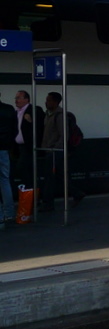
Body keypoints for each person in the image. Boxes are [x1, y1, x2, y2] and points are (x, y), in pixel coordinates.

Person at [39, 91, 85, 211]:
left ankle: (48, 204)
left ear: (55, 102)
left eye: (48, 100)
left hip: (54, 151)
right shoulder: (49, 115)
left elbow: (64, 134)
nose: (46, 102)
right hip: (51, 150)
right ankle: (77, 193)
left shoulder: (59, 115)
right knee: (59, 177)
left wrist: (56, 148)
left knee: (49, 178)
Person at [13, 90, 44, 189]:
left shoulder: (35, 110)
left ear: (26, 99)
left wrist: (31, 121)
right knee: (28, 170)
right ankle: (31, 193)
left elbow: (41, 127)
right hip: (18, 147)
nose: (16, 100)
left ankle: (30, 191)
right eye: (16, 98)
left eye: (18, 98)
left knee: (22, 167)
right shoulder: (16, 112)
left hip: (29, 146)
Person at [0, 91, 17, 230]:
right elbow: (15, 130)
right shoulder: (9, 109)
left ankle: (0, 218)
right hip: (4, 149)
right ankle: (9, 213)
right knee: (4, 180)